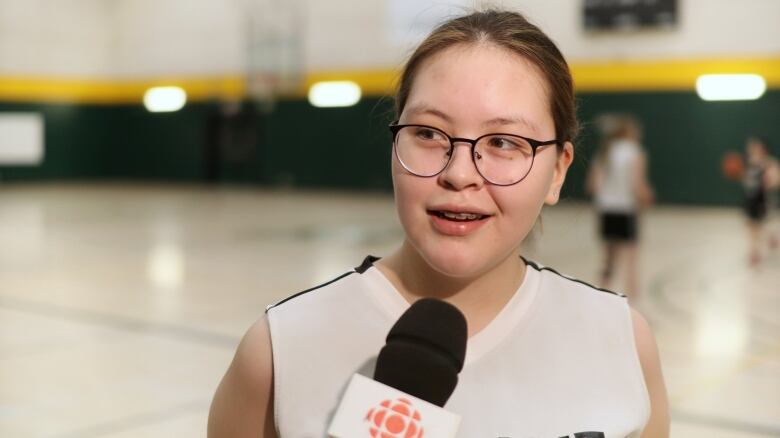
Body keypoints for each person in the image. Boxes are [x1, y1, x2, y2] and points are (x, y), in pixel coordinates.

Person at [208, 9, 669, 437]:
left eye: (505, 142)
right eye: (428, 134)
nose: (459, 173)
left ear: (558, 171)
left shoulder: (623, 339)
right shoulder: (278, 351)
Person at [586, 115, 654, 299]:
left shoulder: (604, 152)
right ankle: (632, 302)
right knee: (631, 258)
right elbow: (637, 185)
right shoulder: (635, 152)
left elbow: (593, 185)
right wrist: (647, 197)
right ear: (629, 132)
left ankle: (602, 295)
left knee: (608, 258)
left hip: (606, 209)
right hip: (626, 210)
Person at [742, 136, 780, 265]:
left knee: (761, 224)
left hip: (764, 199)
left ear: (763, 148)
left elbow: (776, 181)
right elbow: (746, 181)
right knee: (752, 225)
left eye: (756, 147)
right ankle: (754, 251)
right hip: (750, 199)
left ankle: (769, 238)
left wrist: (769, 181)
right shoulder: (748, 163)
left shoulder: (769, 163)